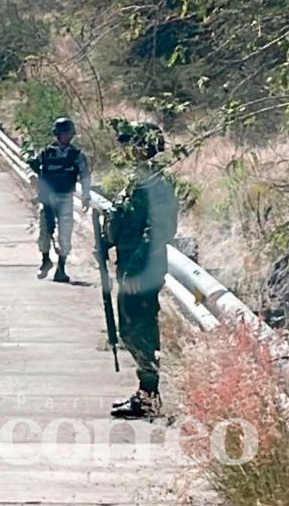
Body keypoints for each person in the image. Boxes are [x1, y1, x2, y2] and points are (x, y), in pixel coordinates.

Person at [106, 122, 177, 419]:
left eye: (133, 144)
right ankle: (144, 393)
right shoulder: (137, 181)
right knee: (130, 331)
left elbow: (159, 231)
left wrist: (136, 270)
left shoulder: (157, 183)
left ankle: (149, 398)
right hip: (129, 265)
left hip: (142, 269)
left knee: (141, 330)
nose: (128, 149)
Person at [27, 118, 91, 283]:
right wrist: (32, 176)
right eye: (65, 134)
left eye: (70, 134)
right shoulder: (46, 153)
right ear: (58, 134)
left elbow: (85, 176)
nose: (68, 137)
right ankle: (45, 260)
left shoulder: (76, 155)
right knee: (44, 231)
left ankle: (61, 267)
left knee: (65, 234)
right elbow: (31, 166)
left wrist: (86, 195)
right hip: (47, 198)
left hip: (65, 198)